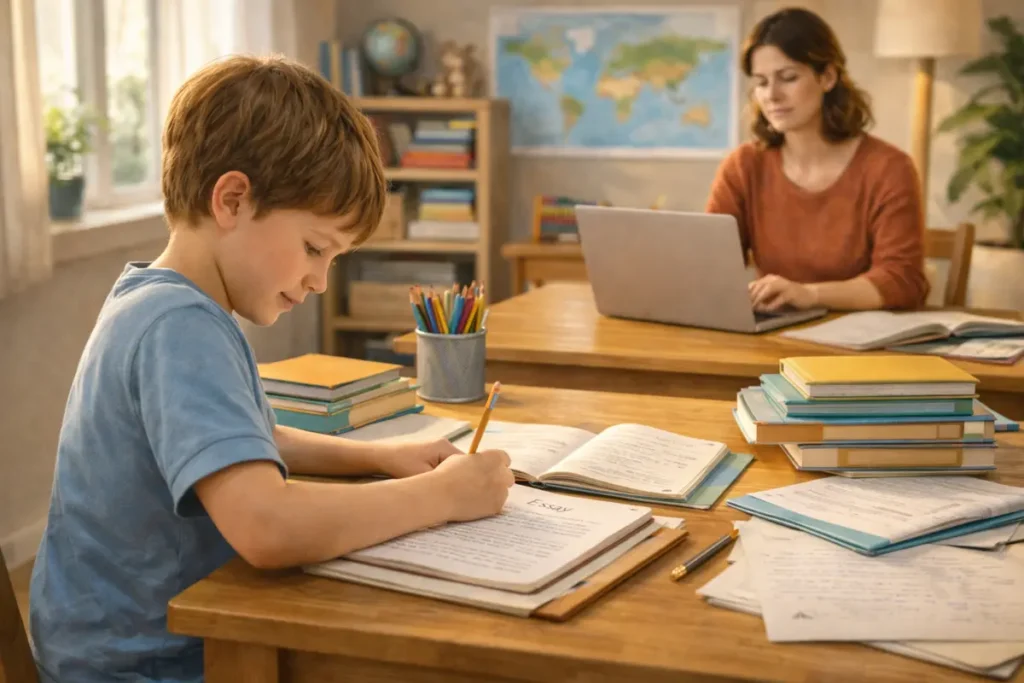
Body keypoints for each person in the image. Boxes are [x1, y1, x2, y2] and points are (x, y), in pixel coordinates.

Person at [28, 54, 515, 683]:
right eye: (316, 248)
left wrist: (377, 457)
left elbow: (245, 440)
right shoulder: (181, 327)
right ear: (232, 199)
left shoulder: (159, 300)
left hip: (110, 644)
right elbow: (267, 527)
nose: (318, 281)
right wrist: (441, 496)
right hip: (146, 663)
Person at [706, 7, 930, 313]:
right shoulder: (744, 166)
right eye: (761, 82)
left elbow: (902, 281)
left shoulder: (888, 168)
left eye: (788, 78)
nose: (771, 95)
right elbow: (709, 267)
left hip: (859, 348)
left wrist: (809, 294)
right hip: (771, 340)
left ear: (827, 77)